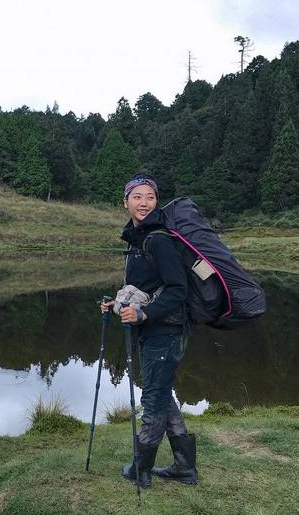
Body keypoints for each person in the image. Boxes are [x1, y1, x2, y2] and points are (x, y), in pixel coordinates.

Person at [100, 173, 198, 488]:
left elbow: (177, 289)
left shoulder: (158, 239)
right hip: (157, 328)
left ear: (157, 202)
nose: (144, 203)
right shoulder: (139, 238)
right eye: (138, 197)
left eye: (150, 197)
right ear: (125, 201)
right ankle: (184, 466)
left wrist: (144, 314)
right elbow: (142, 288)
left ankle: (141, 468)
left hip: (166, 331)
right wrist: (116, 303)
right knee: (161, 392)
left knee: (153, 397)